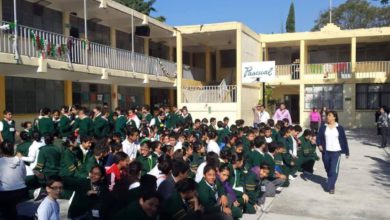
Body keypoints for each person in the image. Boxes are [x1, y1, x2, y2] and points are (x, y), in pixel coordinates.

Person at [317, 111, 350, 194]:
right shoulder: (323, 127)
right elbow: (319, 137)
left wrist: (347, 152)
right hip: (326, 151)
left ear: (334, 117)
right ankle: (330, 179)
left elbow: (343, 140)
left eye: (329, 115)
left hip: (336, 152)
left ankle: (331, 186)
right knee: (328, 168)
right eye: (327, 115)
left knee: (333, 170)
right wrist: (319, 145)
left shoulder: (339, 127)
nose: (327, 117)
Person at [0, 141, 28, 219]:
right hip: (21, 190)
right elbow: (23, 175)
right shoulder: (20, 161)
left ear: (1, 150)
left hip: (6, 193)